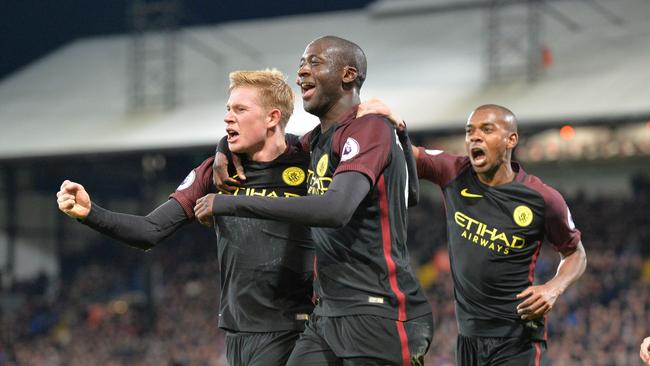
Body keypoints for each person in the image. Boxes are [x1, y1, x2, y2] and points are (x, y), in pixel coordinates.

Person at [194, 36, 433, 365]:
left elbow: (336, 209)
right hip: (327, 314)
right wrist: (224, 145)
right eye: (301, 64)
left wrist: (227, 203)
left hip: (378, 310)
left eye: (314, 63)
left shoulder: (369, 128)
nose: (302, 72)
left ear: (348, 75)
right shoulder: (316, 141)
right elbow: (268, 140)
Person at [56, 69, 316, 366]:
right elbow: (149, 230)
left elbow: (352, 135)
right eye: (228, 109)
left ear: (272, 117)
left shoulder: (310, 157)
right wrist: (91, 213)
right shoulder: (214, 171)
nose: (228, 117)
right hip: (239, 332)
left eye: (240, 109)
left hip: (298, 327)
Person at [387, 103, 586, 365]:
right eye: (470, 132)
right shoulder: (454, 173)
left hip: (517, 339)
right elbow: (403, 153)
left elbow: (576, 254)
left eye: (487, 129)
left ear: (510, 139)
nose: (475, 137)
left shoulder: (542, 198)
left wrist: (553, 288)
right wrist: (386, 123)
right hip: (467, 338)